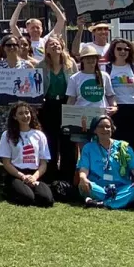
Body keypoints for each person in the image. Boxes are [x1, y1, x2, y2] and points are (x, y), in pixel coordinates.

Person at [77, 115, 134, 210]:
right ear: (94, 130)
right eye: (100, 127)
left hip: (121, 188)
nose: (105, 129)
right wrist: (83, 178)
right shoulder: (88, 147)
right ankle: (124, 202)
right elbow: (84, 168)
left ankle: (101, 203)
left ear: (112, 129)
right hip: (98, 188)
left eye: (107, 126)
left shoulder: (124, 147)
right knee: (85, 186)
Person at [0, 102, 53, 207]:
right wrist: (23, 177)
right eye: (21, 113)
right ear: (14, 116)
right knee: (27, 198)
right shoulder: (7, 135)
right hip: (16, 174)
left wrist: (34, 177)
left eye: (27, 113)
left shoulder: (39, 135)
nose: (25, 116)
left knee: (47, 200)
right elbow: (6, 163)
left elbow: (43, 164)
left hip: (34, 175)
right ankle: (9, 190)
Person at [37, 36, 76, 180]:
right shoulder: (41, 66)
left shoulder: (71, 64)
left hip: (67, 104)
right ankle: (51, 175)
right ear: (46, 49)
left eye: (57, 44)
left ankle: (67, 176)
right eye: (50, 44)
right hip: (48, 106)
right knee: (50, 140)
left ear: (62, 46)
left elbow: (76, 84)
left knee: (67, 141)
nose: (54, 46)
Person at [0, 36, 36, 142]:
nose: (12, 47)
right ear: (3, 48)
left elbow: (33, 88)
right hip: (3, 110)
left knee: (21, 140)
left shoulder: (28, 66)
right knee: (4, 141)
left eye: (15, 45)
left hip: (22, 111)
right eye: (8, 45)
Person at [106, 37, 134, 147]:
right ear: (113, 51)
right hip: (115, 110)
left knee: (133, 141)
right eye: (119, 49)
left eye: (126, 49)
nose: (123, 52)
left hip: (133, 109)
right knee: (115, 141)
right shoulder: (105, 69)